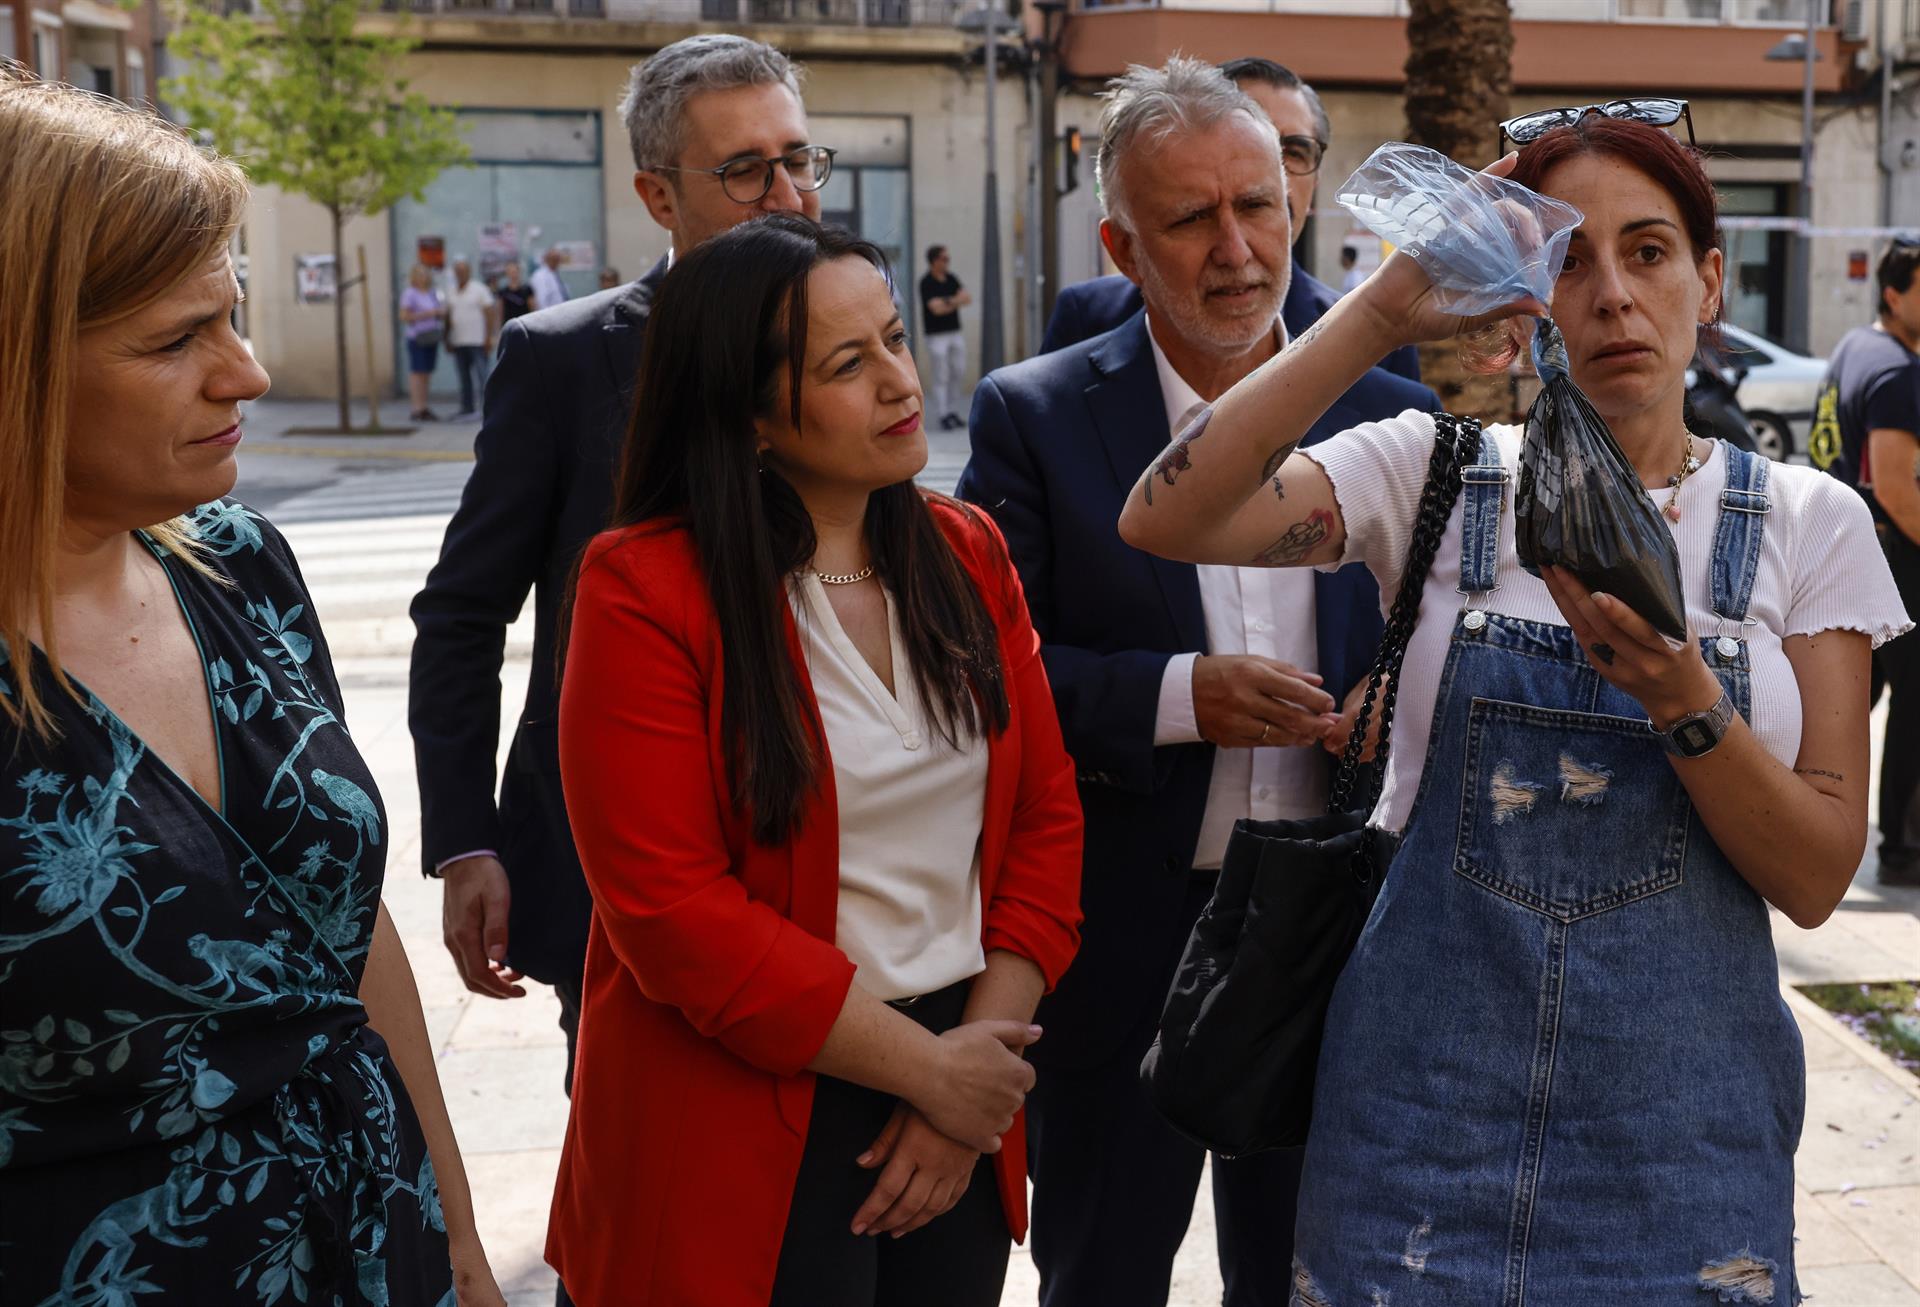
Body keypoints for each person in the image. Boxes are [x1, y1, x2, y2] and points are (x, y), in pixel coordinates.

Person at [1118, 111, 1911, 1303]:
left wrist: (1684, 695)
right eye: (1568, 260)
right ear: (1524, 298)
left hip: (1685, 1162)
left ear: (1709, 279)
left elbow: (1813, 873)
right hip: (1413, 1148)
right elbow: (1166, 518)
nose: (1611, 296)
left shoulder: (1807, 524)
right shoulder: (1430, 475)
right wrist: (1381, 311)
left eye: (1647, 253)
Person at [0, 67, 504, 1305]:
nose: (249, 374)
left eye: (234, 315)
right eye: (178, 340)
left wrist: (466, 1251)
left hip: (375, 1236)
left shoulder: (240, 562)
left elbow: (342, 935)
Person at [957, 57, 1433, 1307]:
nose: (1237, 248)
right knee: (1104, 1273)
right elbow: (977, 678)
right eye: (1191, 218)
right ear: (1121, 243)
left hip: (1338, 938)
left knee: (1306, 1276)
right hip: (1122, 941)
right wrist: (1179, 697)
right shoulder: (1039, 416)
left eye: (1260, 206)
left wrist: (1394, 697)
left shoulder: (1389, 406)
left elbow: (1434, 629)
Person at [549, 213, 1082, 1306]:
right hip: (740, 1104)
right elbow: (670, 912)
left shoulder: (964, 549)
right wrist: (928, 1073)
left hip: (959, 1069)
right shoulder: (645, 585)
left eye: (895, 338)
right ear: (749, 417)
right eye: (850, 363)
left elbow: (1043, 815)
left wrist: (966, 1070)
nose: (901, 380)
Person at [408, 32, 834, 1157]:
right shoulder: (562, 360)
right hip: (615, 873)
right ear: (658, 193)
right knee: (643, 1180)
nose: (789, 196)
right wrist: (464, 840)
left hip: (835, 853)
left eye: (801, 160)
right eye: (746, 170)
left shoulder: (856, 350)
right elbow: (462, 610)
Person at [1039, 56, 1423, 386]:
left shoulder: (1374, 339)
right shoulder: (1087, 322)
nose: (1270, 169)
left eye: (1294, 150)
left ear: (1316, 175)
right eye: (1192, 217)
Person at [1810, 239, 1920, 887]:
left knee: (1851, 699)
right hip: (1894, 554)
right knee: (1913, 703)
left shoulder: (1858, 345)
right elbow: (1903, 493)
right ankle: (1904, 849)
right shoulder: (1899, 373)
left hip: (1851, 549)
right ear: (1894, 294)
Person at [919, 243, 972, 429]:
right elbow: (935, 309)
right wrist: (954, 301)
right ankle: (943, 414)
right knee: (941, 374)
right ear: (934, 261)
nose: (947, 262)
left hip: (954, 332)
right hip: (936, 336)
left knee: (958, 370)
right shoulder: (926, 282)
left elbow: (967, 298)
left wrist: (947, 301)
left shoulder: (951, 278)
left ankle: (952, 410)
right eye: (944, 258)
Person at [445, 257, 497, 419]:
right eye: (457, 271)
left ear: (469, 271)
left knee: (483, 377)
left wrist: (488, 337)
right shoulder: (451, 290)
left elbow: (490, 313)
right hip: (459, 341)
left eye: (463, 270)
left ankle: (488, 409)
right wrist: (447, 338)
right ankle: (466, 407)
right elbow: (448, 317)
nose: (460, 273)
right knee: (464, 378)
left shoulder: (479, 289)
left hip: (478, 341)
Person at [400, 262, 445, 422]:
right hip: (417, 337)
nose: (423, 277)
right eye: (419, 274)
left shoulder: (432, 293)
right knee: (417, 372)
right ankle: (416, 408)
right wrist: (428, 313)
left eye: (425, 274)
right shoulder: (410, 294)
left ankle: (424, 406)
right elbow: (405, 317)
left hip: (431, 336)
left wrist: (440, 313)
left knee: (426, 372)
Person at [530, 246, 570, 310]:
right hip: (550, 316)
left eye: (557, 258)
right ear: (546, 259)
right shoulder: (540, 276)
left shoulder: (554, 274)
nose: (556, 261)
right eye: (553, 259)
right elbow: (541, 301)